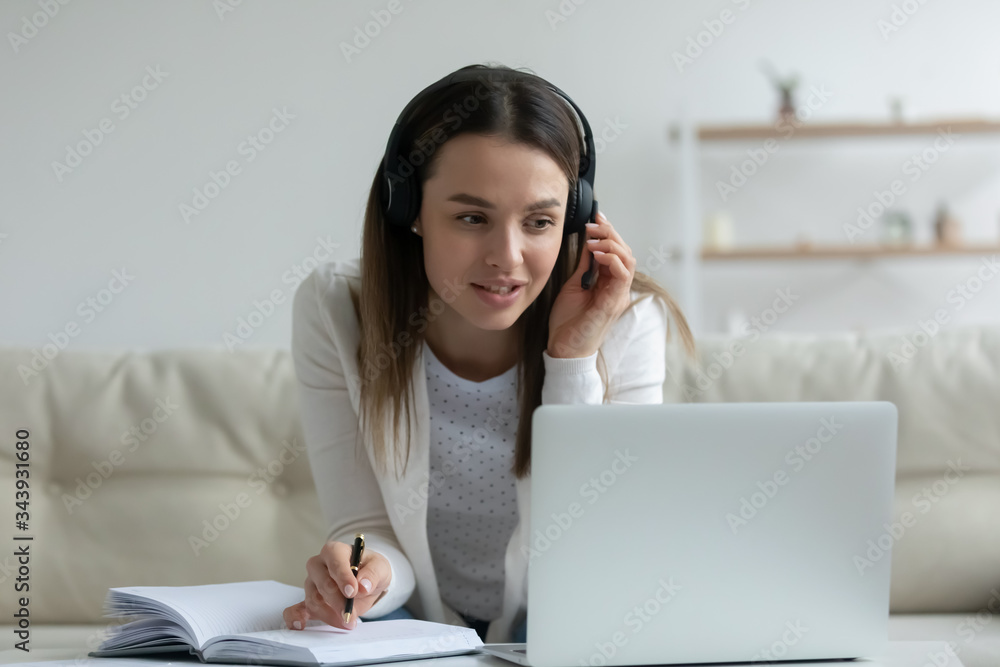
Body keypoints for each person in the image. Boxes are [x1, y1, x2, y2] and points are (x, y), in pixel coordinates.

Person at [281, 62, 696, 644]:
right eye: (472, 217)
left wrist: (573, 359)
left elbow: (597, 543)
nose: (508, 256)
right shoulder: (336, 310)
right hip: (414, 620)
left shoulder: (626, 323)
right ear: (411, 212)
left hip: (561, 615)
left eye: (539, 221)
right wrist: (365, 577)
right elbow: (366, 525)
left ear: (574, 218)